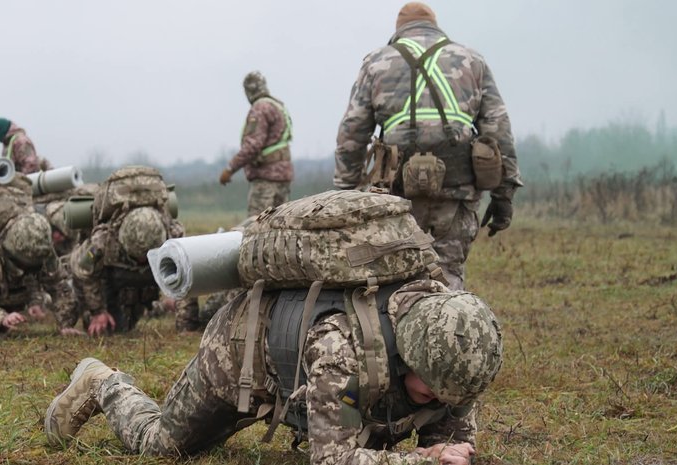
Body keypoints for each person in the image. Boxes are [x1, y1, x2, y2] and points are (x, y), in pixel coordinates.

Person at [44, 278, 502, 465]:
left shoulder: (453, 352)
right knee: (163, 447)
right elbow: (333, 459)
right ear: (407, 356)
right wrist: (421, 460)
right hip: (243, 351)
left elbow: (453, 442)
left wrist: (449, 450)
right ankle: (102, 380)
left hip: (327, 382)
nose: (447, 403)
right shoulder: (339, 349)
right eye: (436, 392)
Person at [332, 2, 523, 290]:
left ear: (399, 31)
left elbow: (352, 133)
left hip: (396, 194)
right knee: (448, 274)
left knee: (396, 275)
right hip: (457, 190)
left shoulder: (376, 62)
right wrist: (503, 197)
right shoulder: (472, 60)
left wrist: (344, 196)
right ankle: (447, 326)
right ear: (434, 26)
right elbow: (498, 130)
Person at [69, 206, 199, 335]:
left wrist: (186, 327)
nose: (142, 261)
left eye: (146, 256)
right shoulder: (103, 241)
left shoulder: (174, 237)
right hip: (110, 287)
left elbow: (187, 278)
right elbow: (82, 270)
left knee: (126, 325)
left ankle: (157, 307)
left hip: (141, 290)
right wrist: (97, 311)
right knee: (111, 330)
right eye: (138, 256)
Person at [219, 71, 294, 216]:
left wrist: (229, 169)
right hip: (283, 177)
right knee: (280, 227)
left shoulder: (260, 109)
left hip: (265, 180)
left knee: (257, 227)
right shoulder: (278, 106)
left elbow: (252, 146)